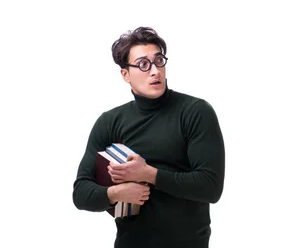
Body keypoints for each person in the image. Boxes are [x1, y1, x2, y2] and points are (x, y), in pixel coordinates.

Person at [72, 27, 225, 248]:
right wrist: (116, 193)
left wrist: (148, 174)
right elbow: (81, 194)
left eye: (159, 61)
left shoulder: (195, 111)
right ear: (126, 74)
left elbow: (210, 187)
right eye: (143, 64)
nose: (155, 71)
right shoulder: (109, 121)